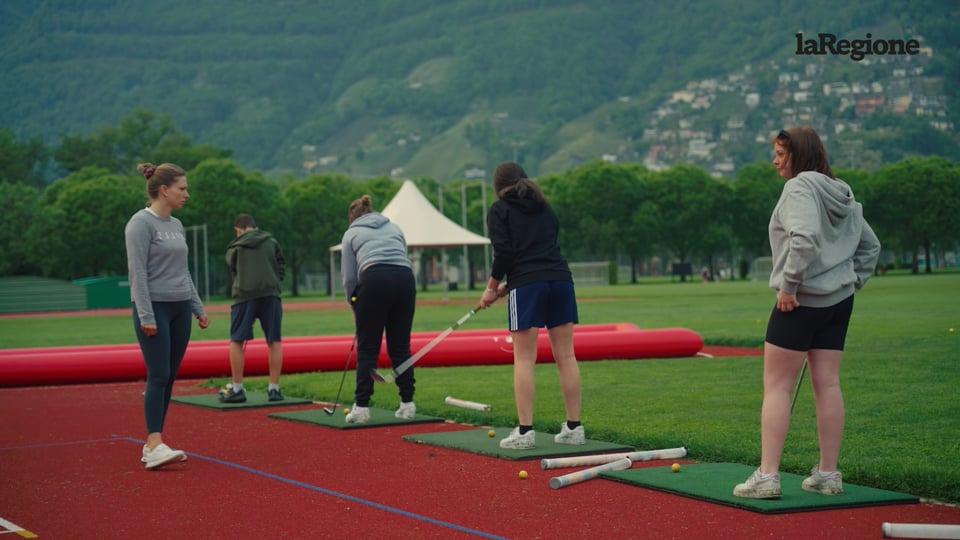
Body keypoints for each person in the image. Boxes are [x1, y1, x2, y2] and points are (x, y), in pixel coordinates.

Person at [733, 127, 881, 498]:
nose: (775, 160)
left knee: (777, 386)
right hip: (838, 303)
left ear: (799, 155)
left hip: (798, 301)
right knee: (828, 384)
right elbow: (871, 246)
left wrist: (790, 285)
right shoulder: (842, 191)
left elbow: (805, 238)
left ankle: (767, 477)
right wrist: (849, 283)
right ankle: (828, 474)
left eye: (781, 153)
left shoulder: (798, 188)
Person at [479, 161, 584, 450]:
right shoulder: (544, 206)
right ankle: (574, 427)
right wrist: (503, 288)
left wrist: (490, 289)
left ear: (498, 186)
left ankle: (525, 432)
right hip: (560, 280)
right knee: (566, 355)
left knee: (524, 358)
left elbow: (505, 254)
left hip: (527, 284)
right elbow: (537, 251)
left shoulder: (499, 209)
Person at [125, 162, 210, 469]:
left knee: (170, 376)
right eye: (182, 188)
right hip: (154, 309)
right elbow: (139, 274)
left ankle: (153, 445)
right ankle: (154, 442)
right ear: (164, 189)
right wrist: (146, 315)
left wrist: (196, 307)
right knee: (158, 375)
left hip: (179, 308)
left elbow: (182, 271)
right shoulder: (140, 224)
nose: (186, 194)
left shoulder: (175, 224)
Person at [340, 195, 417, 423]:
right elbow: (401, 255)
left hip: (373, 279)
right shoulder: (394, 227)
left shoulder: (351, 233)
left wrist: (354, 307)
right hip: (405, 279)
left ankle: (361, 407)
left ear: (352, 218)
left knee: (367, 347)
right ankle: (407, 403)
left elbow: (349, 278)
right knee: (401, 346)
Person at [218, 213, 286, 403]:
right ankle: (274, 389)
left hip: (244, 295)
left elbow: (232, 268)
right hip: (271, 294)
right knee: (274, 341)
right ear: (254, 226)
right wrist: (272, 283)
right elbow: (281, 265)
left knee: (237, 340)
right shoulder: (272, 242)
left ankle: (238, 388)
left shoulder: (236, 246)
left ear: (238, 229)